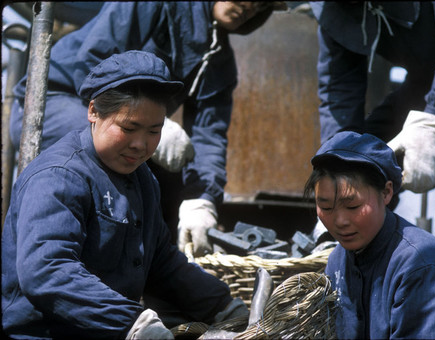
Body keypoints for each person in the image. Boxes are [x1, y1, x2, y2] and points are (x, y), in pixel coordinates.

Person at [2, 51, 248, 339]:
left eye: (154, 131)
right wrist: (131, 322)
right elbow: (47, 271)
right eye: (128, 128)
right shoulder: (60, 176)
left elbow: (160, 261)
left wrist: (220, 305)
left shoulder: (142, 178)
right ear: (93, 111)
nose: (140, 145)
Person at [10, 1, 287, 257]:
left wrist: (201, 200)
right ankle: (80, 265)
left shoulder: (220, 63)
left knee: (166, 181)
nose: (250, 6)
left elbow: (208, 136)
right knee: (119, 150)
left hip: (124, 123)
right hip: (55, 100)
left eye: (261, 4)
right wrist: (149, 125)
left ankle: (160, 286)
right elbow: (91, 64)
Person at [309, 1, 435, 305]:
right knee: (363, 156)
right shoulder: (333, 7)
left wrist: (434, 119)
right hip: (425, 77)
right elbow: (339, 87)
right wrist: (335, 173)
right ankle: (363, 298)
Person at [303, 131, 435, 339]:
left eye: (353, 206)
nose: (340, 220)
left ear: (386, 193)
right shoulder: (337, 260)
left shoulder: (422, 264)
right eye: (325, 206)